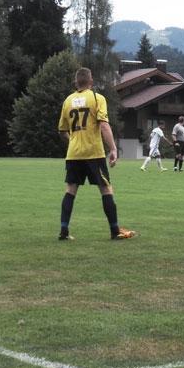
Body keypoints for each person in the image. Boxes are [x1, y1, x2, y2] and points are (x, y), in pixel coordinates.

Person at [57, 67, 134, 241]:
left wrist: (73, 142)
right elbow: (104, 125)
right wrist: (113, 149)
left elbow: (62, 130)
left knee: (70, 190)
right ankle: (114, 231)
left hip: (74, 154)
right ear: (91, 81)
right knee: (106, 189)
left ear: (76, 82)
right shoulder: (97, 98)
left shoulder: (68, 101)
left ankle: (64, 230)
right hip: (94, 153)